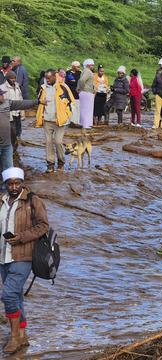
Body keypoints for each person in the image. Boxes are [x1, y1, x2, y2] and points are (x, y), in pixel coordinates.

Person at [0, 167, 49, 354]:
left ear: (22, 183)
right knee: (17, 295)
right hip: (3, 256)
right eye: (10, 184)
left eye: (17, 183)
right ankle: (22, 334)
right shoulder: (1, 201)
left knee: (8, 295)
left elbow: (43, 225)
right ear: (5, 184)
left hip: (24, 255)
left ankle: (14, 338)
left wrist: (21, 237)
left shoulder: (32, 200)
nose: (13, 187)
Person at [36, 69, 75, 173]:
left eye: (49, 78)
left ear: (54, 76)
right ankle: (50, 164)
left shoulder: (63, 87)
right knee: (48, 142)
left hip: (60, 121)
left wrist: (68, 116)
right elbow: (38, 101)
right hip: (47, 120)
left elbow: (71, 102)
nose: (47, 80)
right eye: (46, 78)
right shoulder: (43, 88)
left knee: (58, 141)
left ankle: (61, 162)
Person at [0, 87, 41, 172]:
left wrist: (37, 102)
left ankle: (7, 184)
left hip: (7, 144)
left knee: (9, 170)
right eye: (1, 95)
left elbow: (21, 104)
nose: (3, 96)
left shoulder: (7, 103)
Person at [0, 72, 25, 151]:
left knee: (18, 132)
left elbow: (20, 99)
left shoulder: (17, 86)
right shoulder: (3, 88)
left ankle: (15, 149)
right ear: (7, 79)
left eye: (14, 78)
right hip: (9, 114)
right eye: (11, 78)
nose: (13, 80)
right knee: (12, 133)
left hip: (17, 113)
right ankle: (11, 150)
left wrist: (22, 111)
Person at [77, 59, 95, 130]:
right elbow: (82, 80)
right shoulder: (87, 71)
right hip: (86, 92)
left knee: (86, 108)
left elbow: (80, 80)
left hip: (85, 92)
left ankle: (85, 123)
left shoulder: (85, 71)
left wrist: (79, 88)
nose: (93, 66)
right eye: (92, 65)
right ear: (88, 65)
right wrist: (82, 88)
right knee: (86, 109)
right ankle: (86, 124)